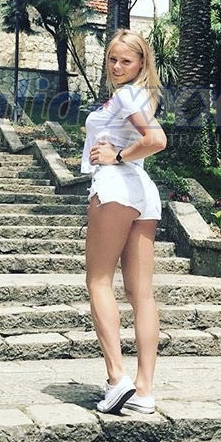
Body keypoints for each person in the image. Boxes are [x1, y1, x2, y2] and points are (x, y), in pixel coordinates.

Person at [80, 29, 167, 414]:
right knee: (141, 294)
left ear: (142, 63)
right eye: (112, 59)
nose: (117, 66)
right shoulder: (140, 95)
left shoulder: (129, 95)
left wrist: (117, 156)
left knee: (99, 280)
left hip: (116, 185)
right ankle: (144, 391)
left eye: (126, 61)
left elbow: (157, 140)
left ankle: (117, 379)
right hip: (142, 191)